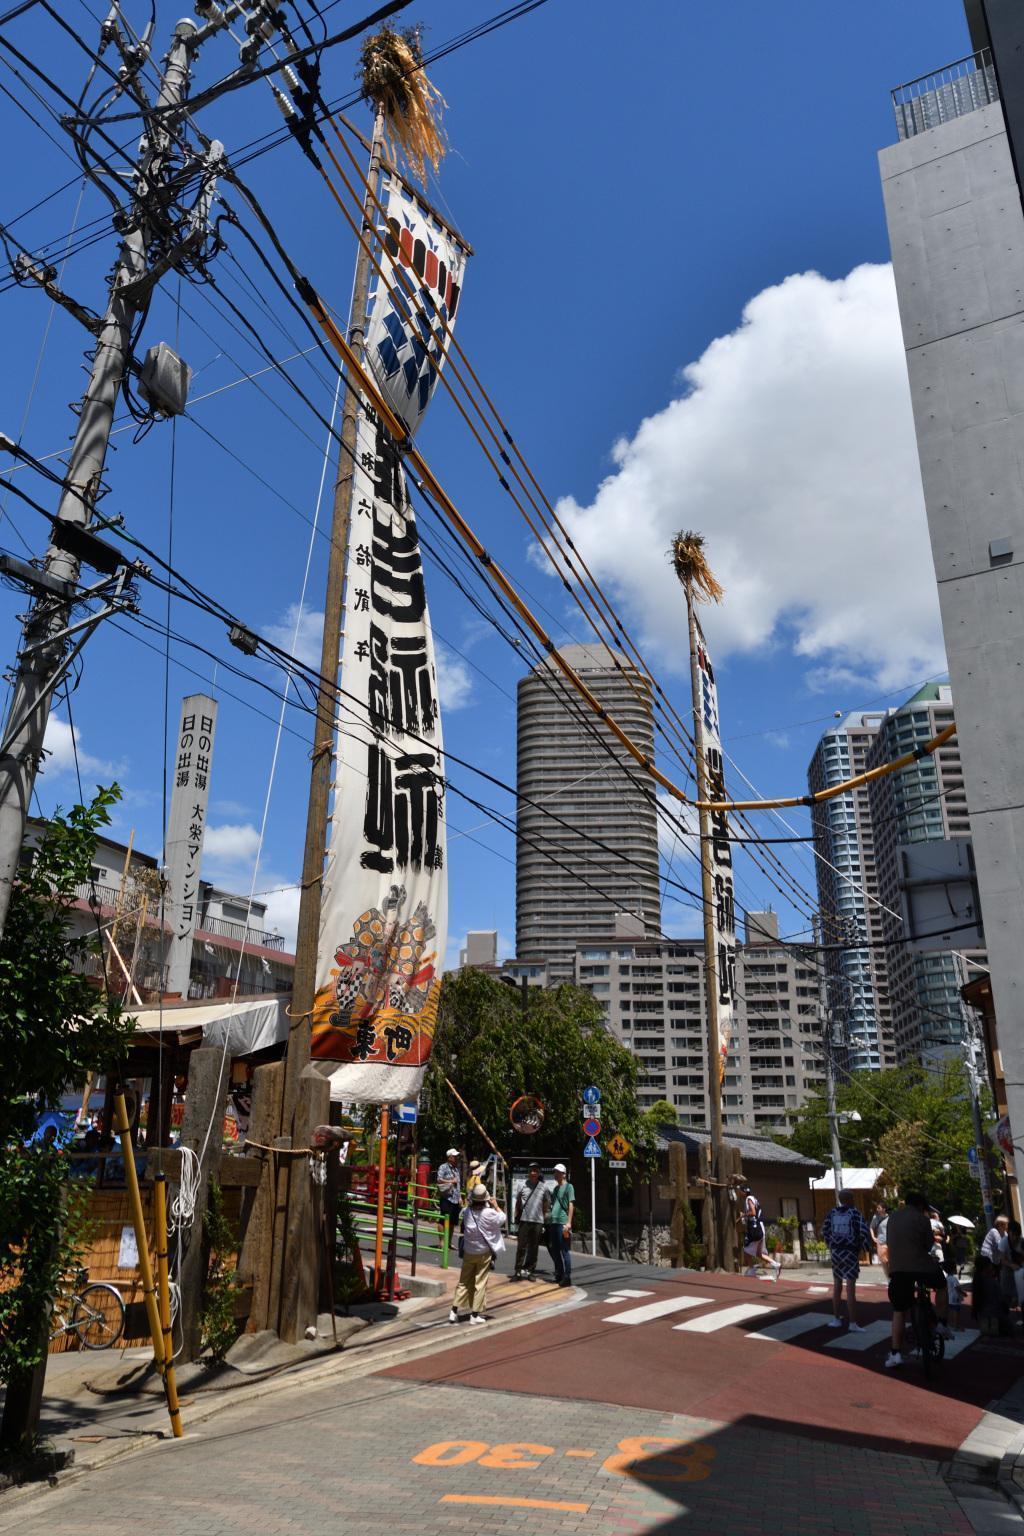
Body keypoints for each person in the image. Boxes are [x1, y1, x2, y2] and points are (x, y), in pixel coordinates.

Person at [884, 1192, 954, 1369]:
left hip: (898, 1269)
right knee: (941, 1285)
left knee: (899, 1311)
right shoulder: (922, 1219)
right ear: (921, 1206)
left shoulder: (892, 1218)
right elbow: (929, 1245)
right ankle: (942, 1323)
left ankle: (895, 1353)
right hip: (922, 1267)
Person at [448, 1185, 506, 1326]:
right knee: (480, 1283)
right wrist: (496, 1206)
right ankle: (474, 1315)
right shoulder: (489, 1213)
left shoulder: (467, 1211)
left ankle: (454, 1311)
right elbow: (502, 1218)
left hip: (469, 1251)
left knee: (463, 1281)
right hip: (483, 1252)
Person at [822, 1191, 873, 1330]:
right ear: (850, 1199)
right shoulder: (855, 1213)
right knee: (850, 1289)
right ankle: (852, 1323)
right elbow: (863, 1232)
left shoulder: (832, 1213)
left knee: (837, 1285)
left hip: (836, 1253)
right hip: (850, 1253)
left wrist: (831, 1244)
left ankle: (836, 1319)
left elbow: (825, 1231)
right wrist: (866, 1248)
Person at [736, 1180, 780, 1281]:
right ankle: (776, 1264)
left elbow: (753, 1212)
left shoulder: (749, 1199)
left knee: (746, 1249)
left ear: (744, 1191)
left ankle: (751, 1269)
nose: (739, 1193)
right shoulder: (753, 1198)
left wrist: (744, 1215)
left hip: (755, 1229)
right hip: (760, 1228)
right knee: (759, 1254)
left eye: (740, 1191)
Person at [513, 1163, 550, 1280]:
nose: (533, 1173)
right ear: (528, 1173)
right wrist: (516, 1216)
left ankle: (530, 1271)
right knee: (521, 1246)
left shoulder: (544, 1187)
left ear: (539, 1173)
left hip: (538, 1221)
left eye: (535, 1171)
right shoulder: (522, 1185)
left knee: (534, 1247)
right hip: (524, 1219)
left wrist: (542, 1217)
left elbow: (546, 1203)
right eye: (531, 1171)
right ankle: (518, 1270)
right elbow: (518, 1202)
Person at [545, 1163, 575, 1287]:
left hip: (562, 1222)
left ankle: (567, 1277)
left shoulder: (569, 1187)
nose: (555, 1174)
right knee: (555, 1250)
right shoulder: (556, 1189)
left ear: (563, 1174)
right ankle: (559, 1274)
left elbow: (571, 1205)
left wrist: (569, 1222)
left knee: (565, 1251)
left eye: (558, 1172)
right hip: (553, 1221)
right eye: (555, 1172)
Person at [998, 1219, 1024, 1322]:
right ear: (1009, 1233)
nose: (1015, 1238)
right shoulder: (1004, 1242)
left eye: (1017, 1235)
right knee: (1006, 1297)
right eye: (1013, 1235)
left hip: (1020, 1271)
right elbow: (1002, 1260)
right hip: (1007, 1272)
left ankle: (1021, 1317)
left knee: (1021, 1296)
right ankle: (1004, 1320)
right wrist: (1011, 1265)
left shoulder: (1022, 1242)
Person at [436, 1148, 462, 1239]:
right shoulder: (443, 1167)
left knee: (452, 1222)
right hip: (446, 1198)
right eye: (455, 1156)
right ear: (449, 1157)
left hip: (455, 1199)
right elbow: (439, 1180)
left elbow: (458, 1184)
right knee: (443, 1220)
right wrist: (451, 1181)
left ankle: (449, 1242)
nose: (457, 1158)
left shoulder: (456, 1169)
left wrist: (460, 1197)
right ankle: (442, 1241)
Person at [870, 1202, 889, 1266]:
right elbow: (871, 1227)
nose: (877, 1209)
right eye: (877, 1208)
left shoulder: (890, 1217)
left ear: (884, 1209)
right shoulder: (875, 1217)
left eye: (879, 1208)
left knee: (889, 1260)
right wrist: (873, 1237)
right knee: (884, 1261)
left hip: (889, 1242)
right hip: (880, 1242)